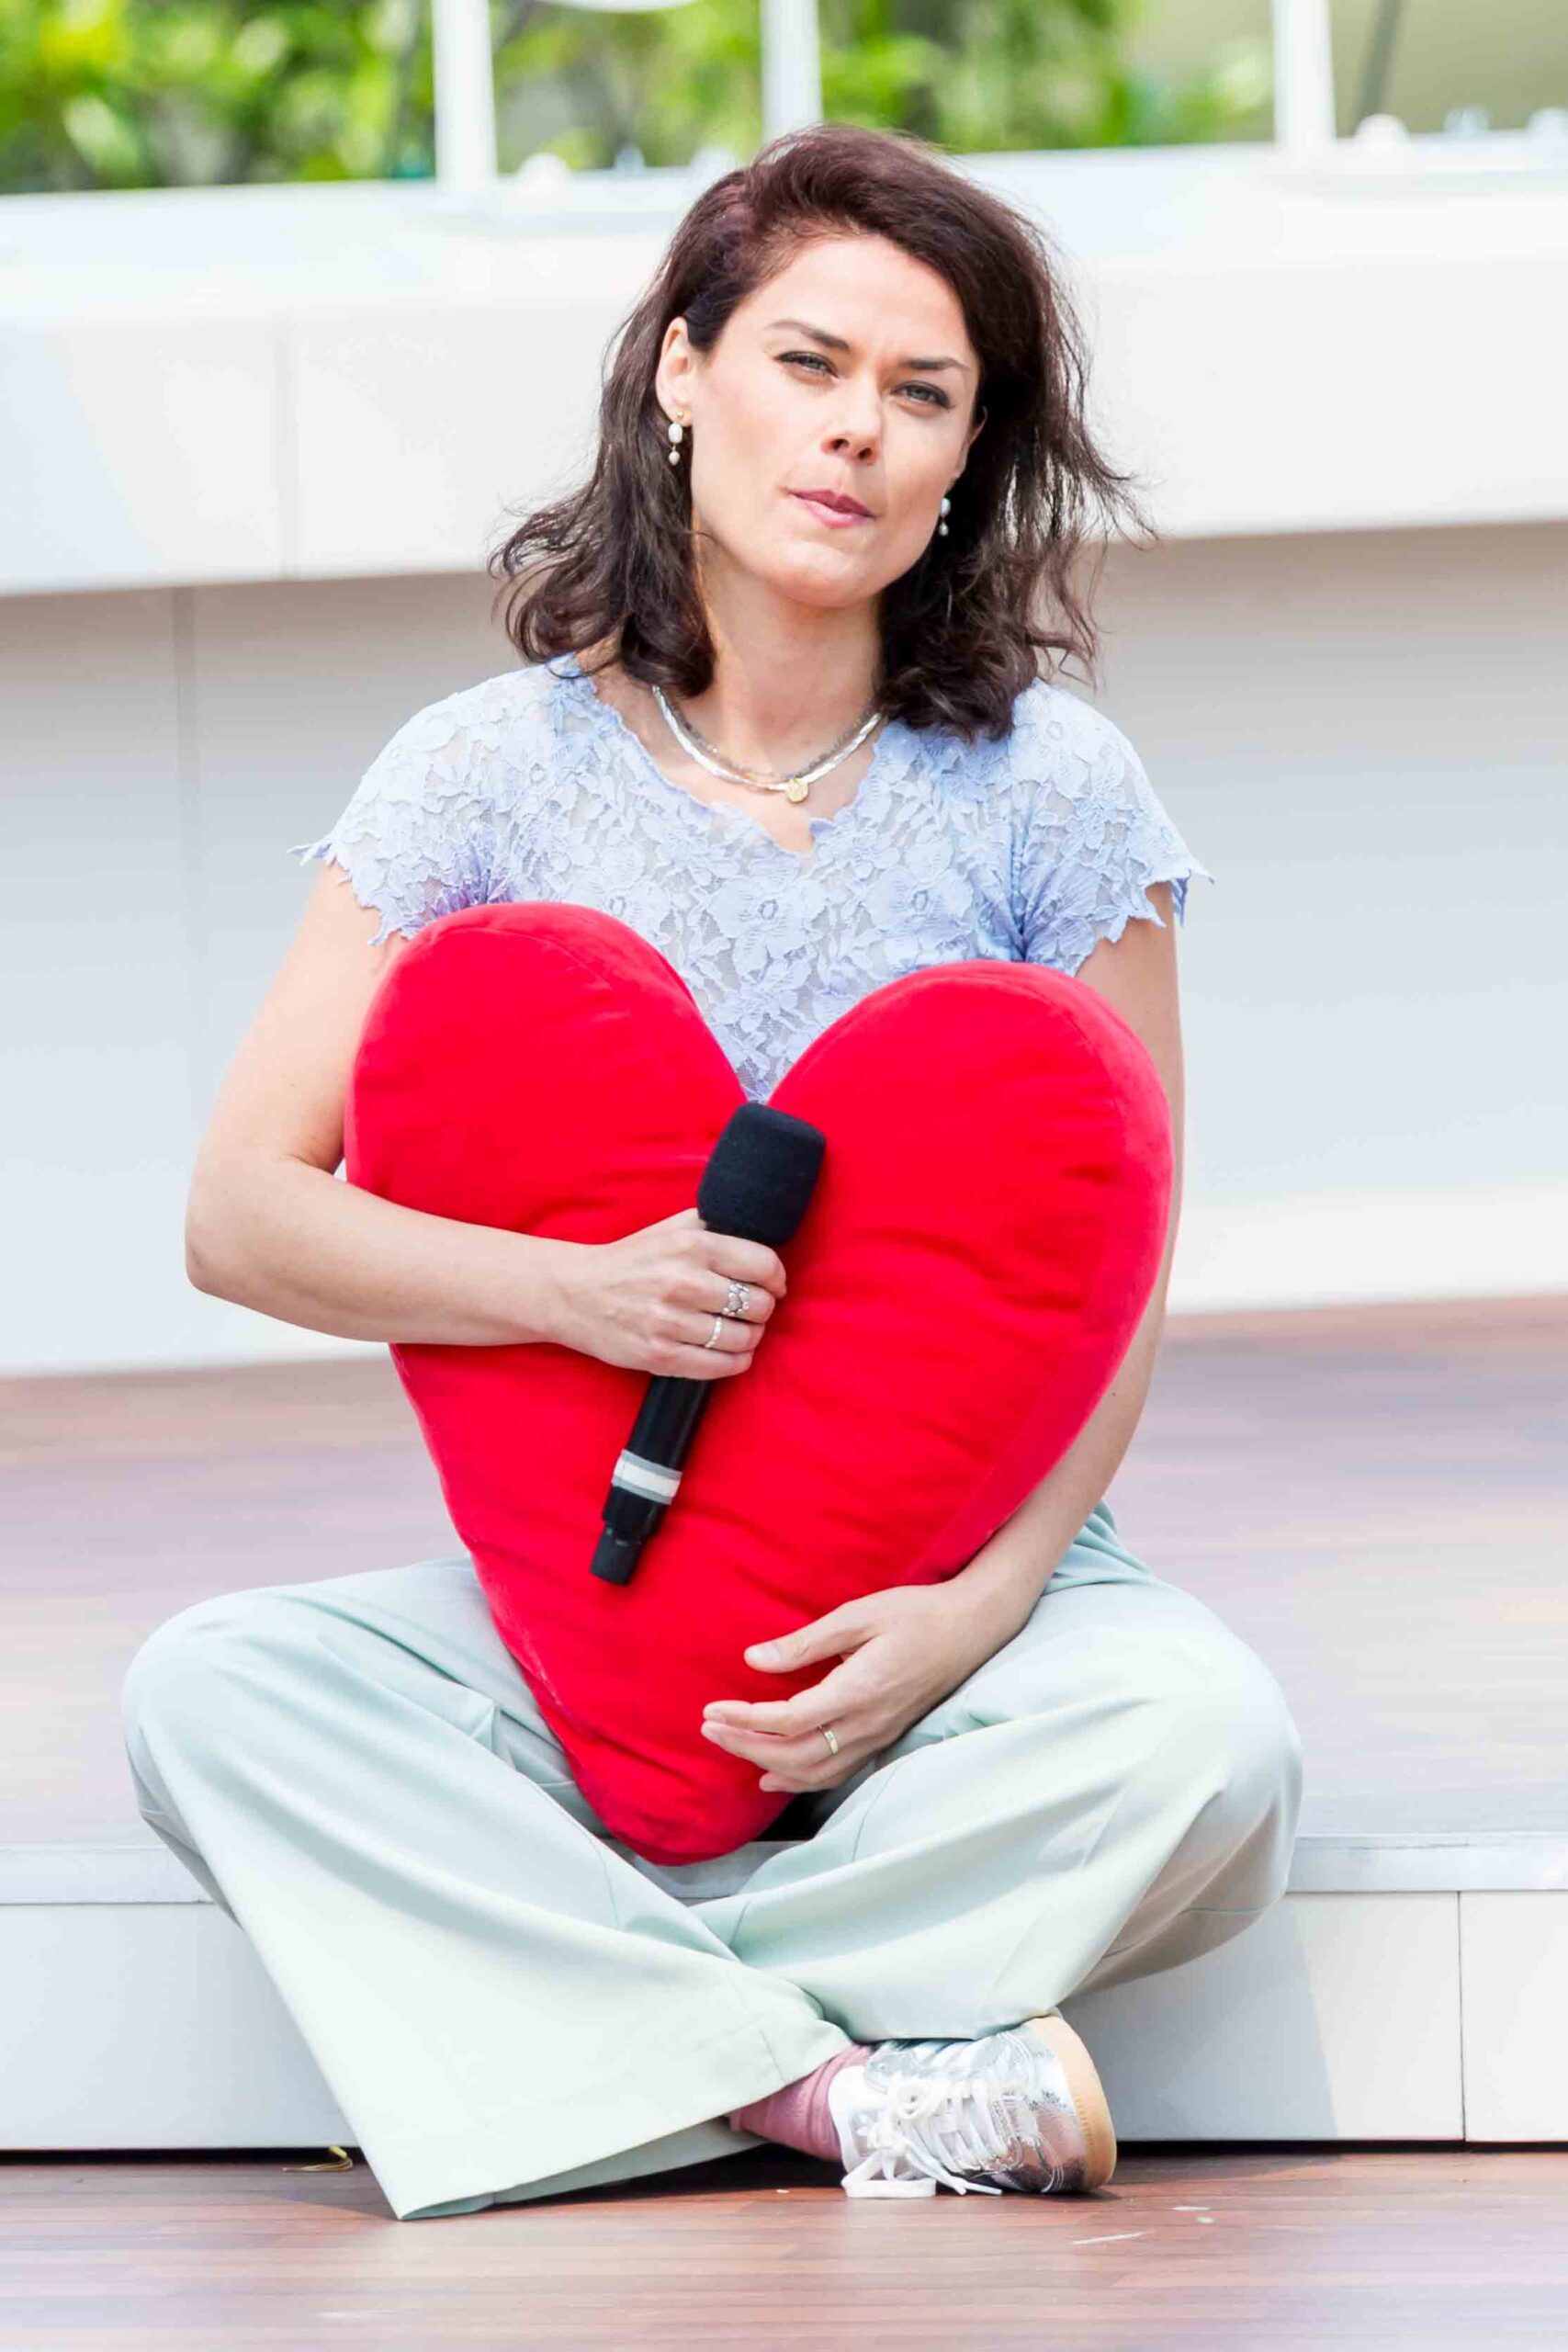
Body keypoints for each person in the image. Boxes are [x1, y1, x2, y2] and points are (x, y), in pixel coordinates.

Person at [120, 120, 1303, 2220]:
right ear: (681, 370)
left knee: (1207, 1741)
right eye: (806, 362)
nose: (854, 431)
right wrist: (573, 1291)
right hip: (581, 1587)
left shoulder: (1053, 790)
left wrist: (972, 1611)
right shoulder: (475, 773)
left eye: (921, 394)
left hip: (953, 1584)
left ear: (966, 458)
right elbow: (242, 1210)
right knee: (210, 1695)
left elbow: (1112, 1264)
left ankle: (546, 2039)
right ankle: (829, 2094)